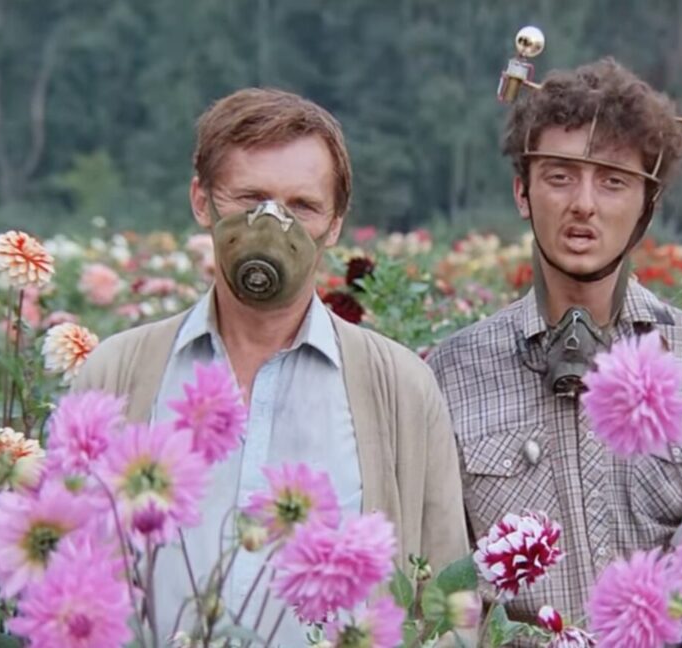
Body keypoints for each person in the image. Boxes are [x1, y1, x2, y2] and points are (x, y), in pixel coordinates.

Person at [71, 87, 469, 643]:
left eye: (302, 206)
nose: (272, 226)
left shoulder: (400, 390)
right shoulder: (116, 374)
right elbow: (67, 582)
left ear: (334, 224)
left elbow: (448, 609)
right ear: (202, 200)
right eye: (250, 198)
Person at [425, 58, 682, 633]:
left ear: (648, 204)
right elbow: (438, 588)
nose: (584, 204)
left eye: (614, 181)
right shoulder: (450, 373)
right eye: (559, 176)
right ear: (522, 191)